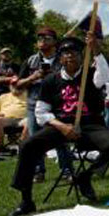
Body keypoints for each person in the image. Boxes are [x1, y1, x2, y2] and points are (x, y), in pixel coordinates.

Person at [10, 34, 109, 216]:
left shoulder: (91, 75)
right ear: (60, 58)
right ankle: (26, 200)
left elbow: (105, 76)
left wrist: (96, 49)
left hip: (89, 125)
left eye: (75, 52)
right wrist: (62, 127)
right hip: (60, 124)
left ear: (81, 56)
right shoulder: (50, 81)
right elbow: (40, 112)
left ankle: (85, 177)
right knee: (27, 146)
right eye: (65, 53)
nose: (70, 56)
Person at [15, 27, 71, 182]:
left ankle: (67, 171)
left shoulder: (64, 60)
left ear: (54, 42)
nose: (42, 40)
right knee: (35, 139)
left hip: (57, 105)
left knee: (60, 137)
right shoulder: (31, 61)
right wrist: (33, 77)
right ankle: (39, 171)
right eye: (39, 38)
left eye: (46, 38)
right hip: (34, 104)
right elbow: (18, 84)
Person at [0, 79, 27, 148]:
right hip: (7, 119)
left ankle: (21, 146)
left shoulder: (29, 95)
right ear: (10, 86)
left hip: (24, 119)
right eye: (13, 84)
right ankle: (0, 147)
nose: (16, 86)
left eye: (18, 84)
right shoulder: (3, 97)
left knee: (30, 121)